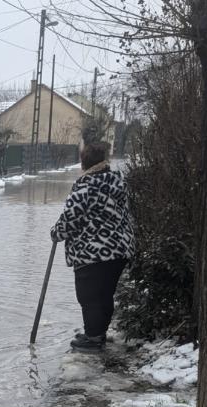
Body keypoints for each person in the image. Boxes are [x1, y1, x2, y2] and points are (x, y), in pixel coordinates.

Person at [50, 142, 135, 352]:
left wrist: (56, 232)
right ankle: (97, 332)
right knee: (104, 294)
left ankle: (93, 337)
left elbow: (70, 219)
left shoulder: (86, 186)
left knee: (89, 296)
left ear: (84, 162)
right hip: (120, 249)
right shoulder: (117, 182)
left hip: (93, 252)